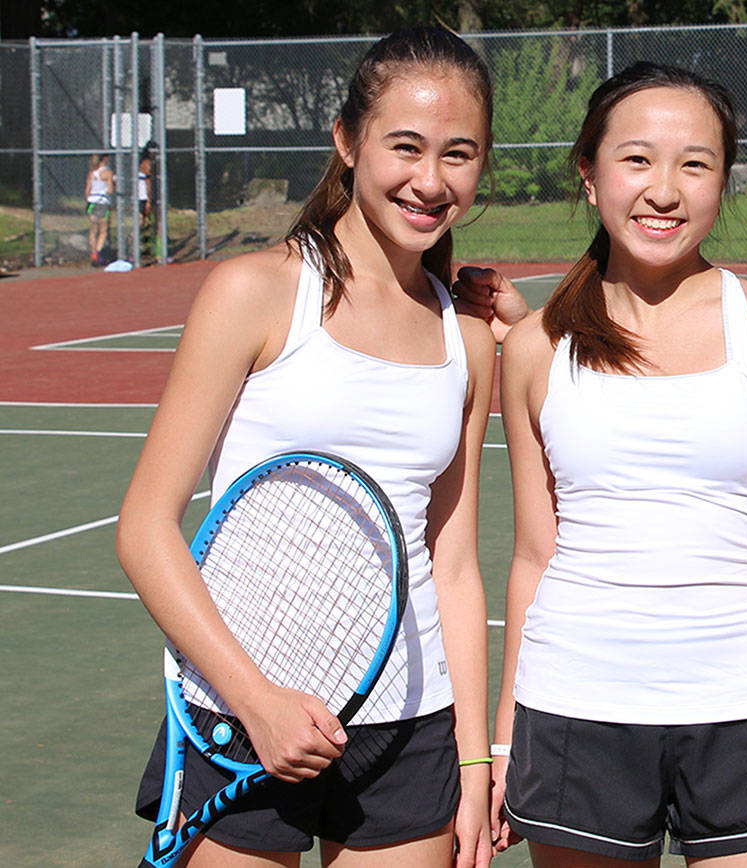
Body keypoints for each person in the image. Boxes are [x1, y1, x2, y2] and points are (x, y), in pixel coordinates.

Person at [116, 26, 497, 868]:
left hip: (410, 728)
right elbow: (144, 529)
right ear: (348, 141)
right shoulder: (254, 294)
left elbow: (455, 563)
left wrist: (475, 760)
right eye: (405, 146)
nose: (430, 181)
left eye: (459, 155)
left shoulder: (466, 339)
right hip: (239, 720)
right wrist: (257, 701)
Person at [473, 62, 747, 868]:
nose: (665, 190)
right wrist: (506, 736)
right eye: (637, 159)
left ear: (724, 182)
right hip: (574, 711)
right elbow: (534, 556)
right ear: (588, 176)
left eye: (695, 164)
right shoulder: (538, 344)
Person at [85, 154, 113, 266]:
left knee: (93, 230)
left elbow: (87, 189)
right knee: (103, 230)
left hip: (92, 203)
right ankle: (98, 253)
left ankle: (93, 253)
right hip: (102, 203)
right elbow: (110, 190)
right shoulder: (107, 173)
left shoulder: (91, 173)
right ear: (105, 159)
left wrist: (88, 201)